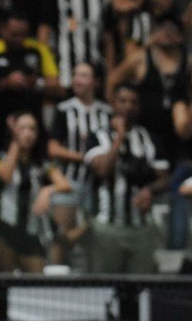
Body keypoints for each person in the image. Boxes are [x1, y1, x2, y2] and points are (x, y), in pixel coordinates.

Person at [83, 83, 168, 273]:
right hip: (107, 226)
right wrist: (120, 136)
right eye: (123, 101)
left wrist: (150, 190)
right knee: (105, 288)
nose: (128, 106)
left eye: (133, 102)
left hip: (142, 227)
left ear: (139, 107)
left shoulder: (150, 139)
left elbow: (164, 178)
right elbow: (103, 170)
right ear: (113, 103)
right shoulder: (97, 137)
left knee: (141, 290)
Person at [0, 112, 72, 273]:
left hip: (30, 232)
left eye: (32, 129)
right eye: (22, 128)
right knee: (4, 281)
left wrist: (48, 190)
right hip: (4, 230)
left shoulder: (41, 163)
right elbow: (6, 175)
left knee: (36, 282)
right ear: (14, 132)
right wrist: (15, 143)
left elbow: (65, 185)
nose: (28, 133)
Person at [47, 62, 111, 263]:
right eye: (75, 74)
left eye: (84, 75)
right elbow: (53, 148)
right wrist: (86, 157)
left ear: (96, 82)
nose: (77, 79)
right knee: (61, 239)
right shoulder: (65, 109)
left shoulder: (107, 113)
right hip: (69, 182)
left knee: (94, 240)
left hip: (99, 186)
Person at [108, 15, 189, 164]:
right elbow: (112, 81)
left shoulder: (188, 61)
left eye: (171, 31)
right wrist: (115, 109)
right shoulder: (140, 58)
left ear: (180, 36)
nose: (166, 34)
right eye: (162, 30)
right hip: (145, 125)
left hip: (175, 132)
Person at [38, 0, 116, 91]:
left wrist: (110, 75)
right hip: (63, 70)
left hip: (95, 72)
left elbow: (108, 39)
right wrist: (48, 71)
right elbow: (44, 34)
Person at [0, 11, 62, 150]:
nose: (19, 39)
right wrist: (5, 83)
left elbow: (56, 87)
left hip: (32, 118)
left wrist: (36, 83)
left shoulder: (37, 50)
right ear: (2, 29)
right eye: (14, 34)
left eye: (23, 34)